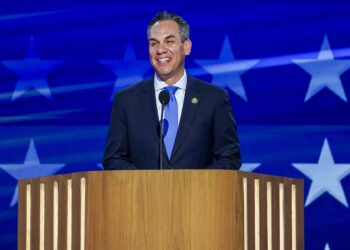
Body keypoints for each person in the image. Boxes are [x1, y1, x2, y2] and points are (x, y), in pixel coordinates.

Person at [103, 11, 241, 170]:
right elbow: (114, 159)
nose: (160, 50)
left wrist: (193, 186)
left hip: (198, 194)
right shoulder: (127, 101)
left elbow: (229, 157)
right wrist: (145, 186)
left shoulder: (214, 98)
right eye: (154, 43)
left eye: (169, 41)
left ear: (186, 46)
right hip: (142, 194)